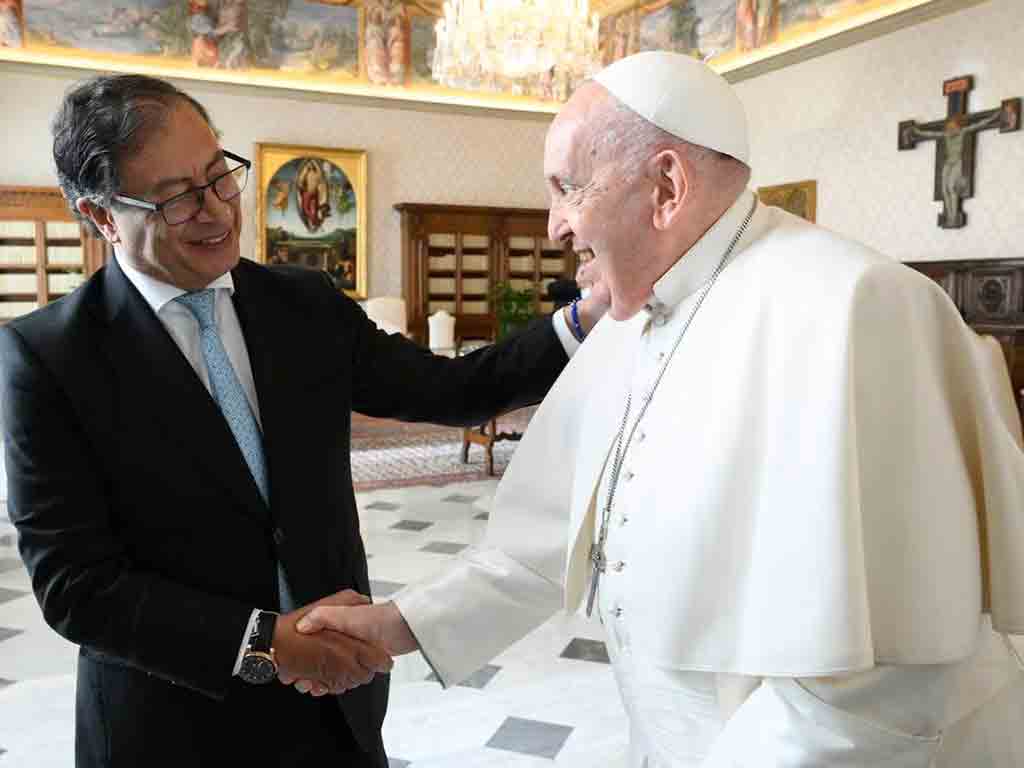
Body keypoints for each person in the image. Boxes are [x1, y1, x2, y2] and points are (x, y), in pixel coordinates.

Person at [296, 51, 1024, 766]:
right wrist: (399, 622)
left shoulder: (855, 307)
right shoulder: (633, 314)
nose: (555, 226)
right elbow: (548, 540)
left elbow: (889, 675)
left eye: (566, 187)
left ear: (666, 186)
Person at [0, 74, 606, 767]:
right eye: (176, 198)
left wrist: (581, 322)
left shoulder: (304, 305)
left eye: (219, 175)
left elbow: (454, 390)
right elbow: (77, 587)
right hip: (172, 724)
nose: (217, 210)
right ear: (102, 216)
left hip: (334, 709)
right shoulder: (50, 357)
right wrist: (264, 642)